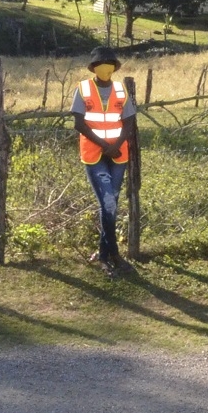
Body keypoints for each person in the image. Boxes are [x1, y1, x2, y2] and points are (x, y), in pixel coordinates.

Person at [72, 45, 139, 275]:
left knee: (110, 206)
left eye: (110, 65)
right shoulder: (82, 89)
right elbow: (79, 123)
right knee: (108, 204)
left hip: (118, 155)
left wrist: (116, 146)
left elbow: (129, 122)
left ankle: (104, 256)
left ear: (114, 68)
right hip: (94, 155)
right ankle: (114, 255)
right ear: (94, 68)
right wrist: (105, 146)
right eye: (101, 65)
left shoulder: (121, 90)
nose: (105, 69)